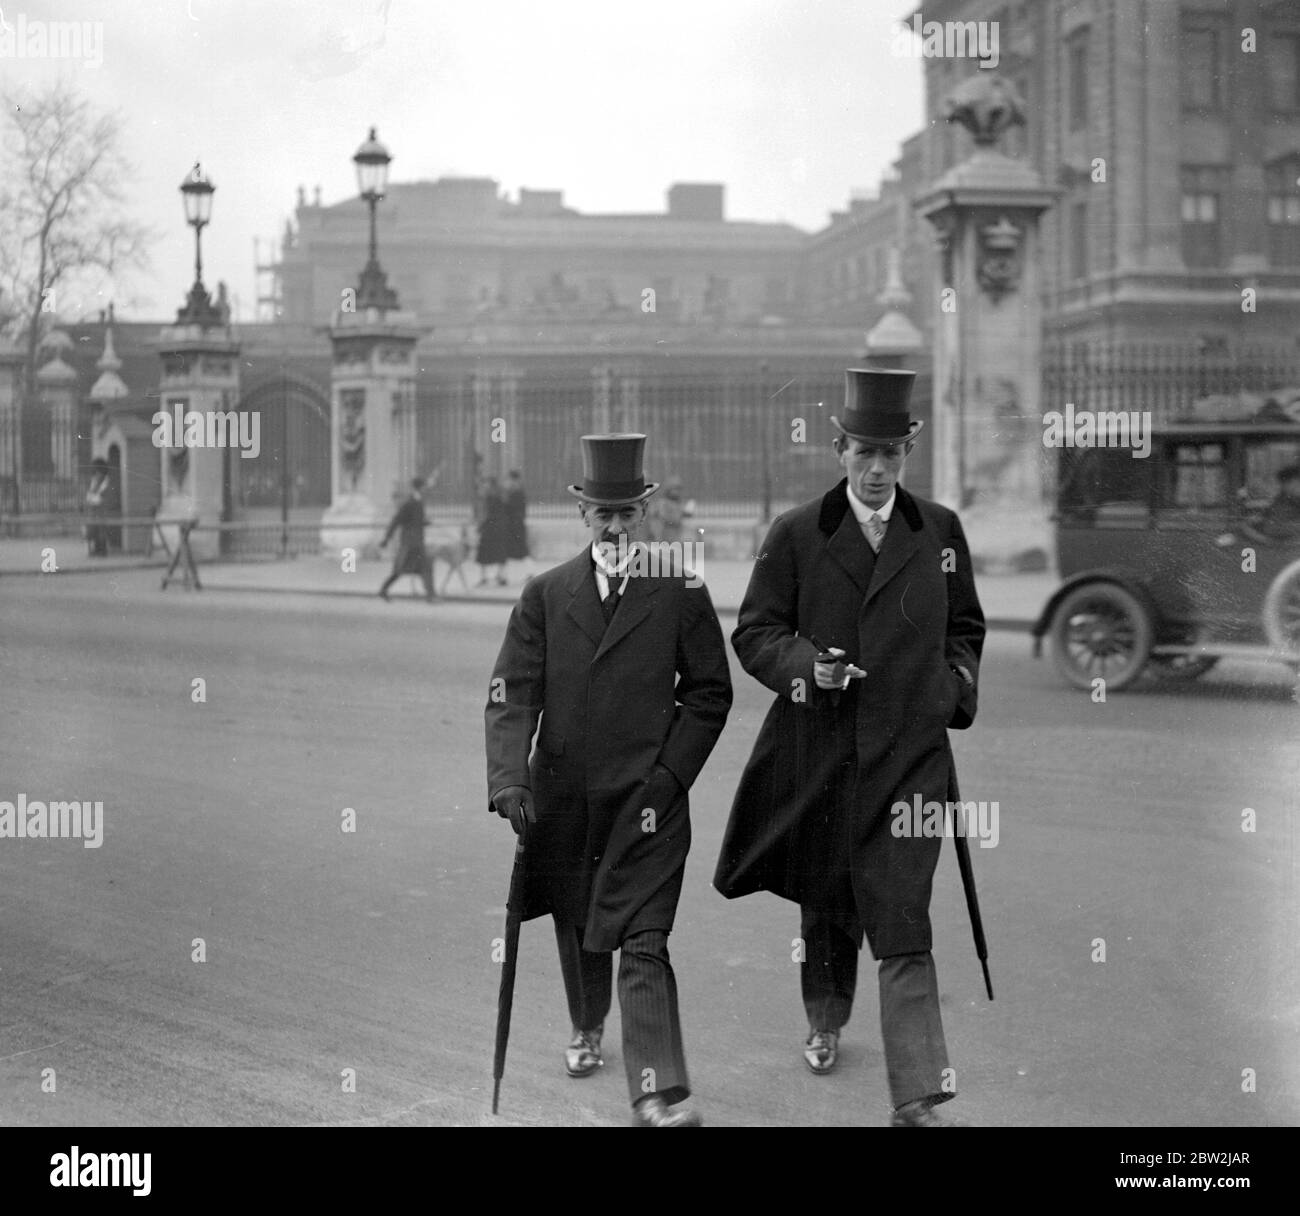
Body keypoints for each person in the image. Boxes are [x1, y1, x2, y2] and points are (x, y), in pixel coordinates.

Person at [713, 368, 986, 1127]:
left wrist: (952, 690)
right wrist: (810, 669)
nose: (877, 468)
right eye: (865, 451)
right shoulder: (798, 533)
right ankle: (826, 1018)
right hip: (823, 754)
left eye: (892, 453)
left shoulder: (939, 531)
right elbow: (756, 632)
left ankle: (917, 1092)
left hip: (913, 761)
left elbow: (965, 627)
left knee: (903, 912)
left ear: (907, 454)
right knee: (830, 903)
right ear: (838, 449)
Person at [485, 433, 732, 1127]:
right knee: (580, 921)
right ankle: (588, 1023)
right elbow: (512, 694)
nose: (617, 526)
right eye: (604, 513)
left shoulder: (679, 588)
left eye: (628, 512)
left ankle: (655, 1093)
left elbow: (711, 692)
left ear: (647, 512)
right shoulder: (545, 594)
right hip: (565, 799)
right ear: (583, 515)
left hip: (649, 802)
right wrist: (510, 780)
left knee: (645, 939)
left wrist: (670, 775)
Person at [378, 477, 435, 601]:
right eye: (425, 487)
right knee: (401, 569)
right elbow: (397, 520)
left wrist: (425, 522)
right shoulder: (409, 503)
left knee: (424, 567)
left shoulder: (419, 501)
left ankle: (430, 595)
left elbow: (415, 521)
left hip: (416, 542)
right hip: (410, 543)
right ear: (420, 488)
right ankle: (430, 595)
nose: (427, 489)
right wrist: (386, 539)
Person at [1246, 464, 1300, 541]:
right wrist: (1259, 517)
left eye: (1288, 482)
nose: (1284, 486)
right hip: (1272, 531)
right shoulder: (1283, 496)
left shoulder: (1295, 498)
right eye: (1283, 483)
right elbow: (1272, 510)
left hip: (1286, 537)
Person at [476, 476, 510, 586]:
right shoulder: (502, 497)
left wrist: (480, 526)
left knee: (484, 553)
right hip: (501, 527)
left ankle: (484, 577)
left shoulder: (487, 497)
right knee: (501, 552)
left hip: (489, 527)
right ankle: (501, 576)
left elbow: (484, 514)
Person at [648, 476, 691, 544]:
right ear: (669, 490)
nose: (677, 492)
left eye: (678, 489)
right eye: (674, 489)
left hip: (676, 535)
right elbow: (666, 517)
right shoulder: (663, 503)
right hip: (665, 534)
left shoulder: (679, 503)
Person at [85, 458, 112, 557]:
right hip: (95, 512)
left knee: (101, 530)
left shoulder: (106, 482)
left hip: (103, 512)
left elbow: (100, 499)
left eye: (97, 472)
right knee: (93, 529)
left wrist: (93, 498)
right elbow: (90, 496)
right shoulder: (94, 481)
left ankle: (102, 550)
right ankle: (96, 549)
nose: (96, 475)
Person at [503, 469, 530, 567]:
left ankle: (531, 571)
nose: (508, 481)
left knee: (522, 551)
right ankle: (502, 575)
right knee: (509, 551)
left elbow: (511, 507)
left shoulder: (517, 492)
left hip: (516, 524)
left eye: (509, 479)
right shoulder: (515, 491)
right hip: (514, 523)